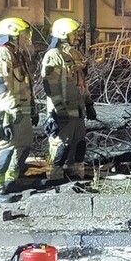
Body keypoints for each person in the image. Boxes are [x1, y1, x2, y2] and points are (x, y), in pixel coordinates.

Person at [0, 17, 37, 203]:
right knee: (3, 149)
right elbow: (0, 83)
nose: (26, 38)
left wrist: (32, 108)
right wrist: (11, 107)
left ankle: (10, 181)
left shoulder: (15, 54)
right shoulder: (0, 53)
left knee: (23, 144)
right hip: (5, 112)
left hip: (20, 110)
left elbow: (25, 84)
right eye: (24, 35)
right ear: (13, 34)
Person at [41, 17, 96, 183]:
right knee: (60, 146)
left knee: (79, 145)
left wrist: (88, 103)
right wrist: (58, 110)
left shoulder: (75, 55)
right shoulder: (53, 56)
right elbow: (51, 86)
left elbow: (81, 82)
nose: (77, 37)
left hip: (77, 110)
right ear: (64, 34)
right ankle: (54, 179)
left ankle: (75, 177)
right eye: (74, 34)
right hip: (62, 111)